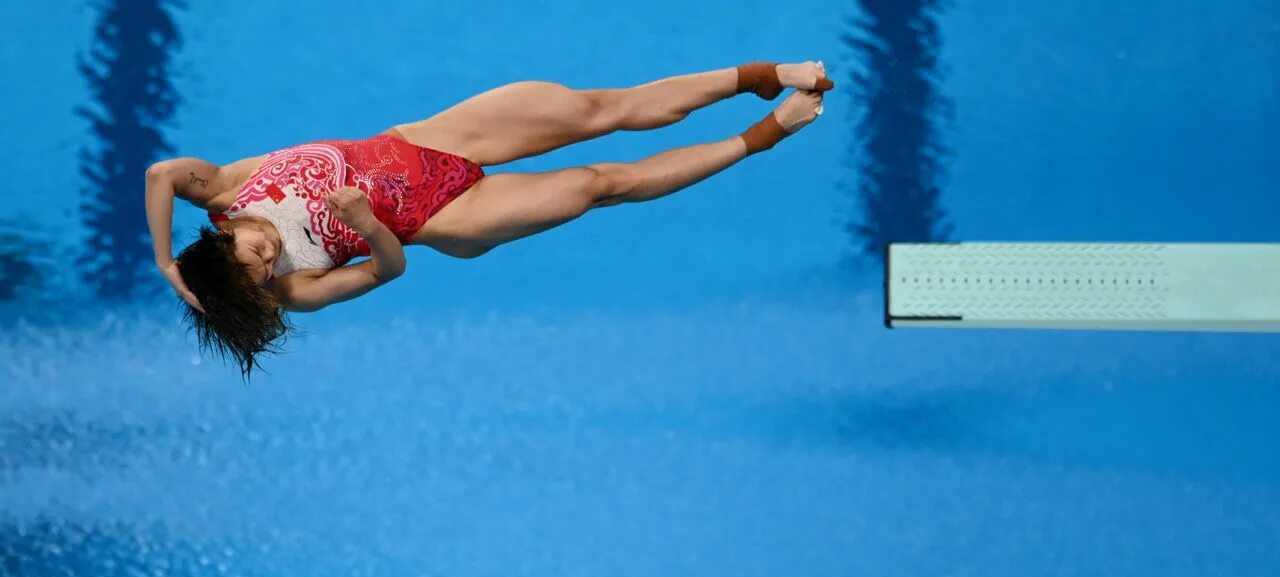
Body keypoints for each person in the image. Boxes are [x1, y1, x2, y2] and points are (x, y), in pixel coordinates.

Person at [146, 61, 834, 377]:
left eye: (251, 257)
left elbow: (159, 174)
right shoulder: (293, 288)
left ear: (220, 233)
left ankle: (765, 75)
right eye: (262, 276)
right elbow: (390, 269)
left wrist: (162, 261)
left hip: (434, 139)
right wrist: (365, 220)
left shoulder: (226, 188)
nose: (268, 262)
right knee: (602, 183)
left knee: (600, 110)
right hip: (451, 217)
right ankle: (772, 130)